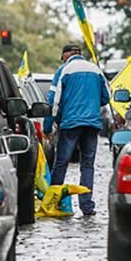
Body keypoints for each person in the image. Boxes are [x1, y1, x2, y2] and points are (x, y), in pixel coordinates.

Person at [44, 44, 110, 216]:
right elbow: (106, 98)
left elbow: (53, 101)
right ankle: (87, 206)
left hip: (70, 124)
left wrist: (49, 125)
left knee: (61, 163)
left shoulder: (64, 71)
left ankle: (54, 202)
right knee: (87, 165)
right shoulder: (96, 70)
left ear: (66, 55)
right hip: (92, 124)